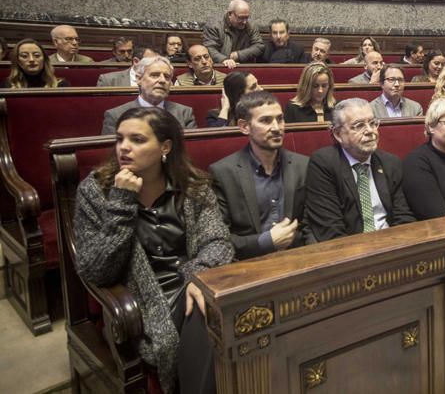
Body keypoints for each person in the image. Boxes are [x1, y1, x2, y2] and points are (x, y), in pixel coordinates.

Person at [74, 107, 233, 393]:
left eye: (137, 140)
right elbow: (95, 270)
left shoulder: (192, 184)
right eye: (120, 139)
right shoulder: (97, 191)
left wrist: (198, 276)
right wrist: (122, 204)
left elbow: (218, 242)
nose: (124, 147)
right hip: (141, 303)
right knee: (208, 313)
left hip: (191, 284)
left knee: (213, 305)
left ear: (165, 147)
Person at [210, 91, 308, 259]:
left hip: (299, 259)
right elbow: (219, 240)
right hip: (250, 265)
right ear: (244, 127)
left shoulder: (303, 165)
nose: (277, 128)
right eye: (265, 121)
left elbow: (313, 225)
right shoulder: (223, 173)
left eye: (280, 119)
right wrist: (266, 241)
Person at [304, 98, 415, 242]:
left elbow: (403, 217)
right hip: (349, 252)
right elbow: (330, 229)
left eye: (373, 123)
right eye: (359, 125)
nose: (370, 131)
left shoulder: (390, 163)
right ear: (338, 134)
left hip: (391, 245)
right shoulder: (324, 164)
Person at [101, 56, 196, 135]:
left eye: (167, 77)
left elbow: (190, 150)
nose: (162, 80)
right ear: (139, 79)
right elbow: (111, 154)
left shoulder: (184, 113)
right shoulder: (116, 116)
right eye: (155, 75)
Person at [202, 0, 264, 68]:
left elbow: (259, 46)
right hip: (220, 66)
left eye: (247, 17)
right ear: (230, 14)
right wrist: (224, 59)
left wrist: (239, 55)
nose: (245, 22)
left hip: (243, 67)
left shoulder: (251, 26)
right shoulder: (214, 25)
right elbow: (209, 48)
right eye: (241, 18)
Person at [2, 38, 69, 88]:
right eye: (24, 56)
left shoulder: (61, 84)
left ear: (44, 60)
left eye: (37, 55)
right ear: (17, 61)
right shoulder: (7, 85)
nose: (31, 59)